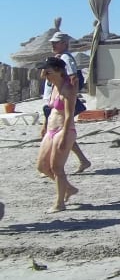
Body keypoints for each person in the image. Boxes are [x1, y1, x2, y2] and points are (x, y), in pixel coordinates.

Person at [36, 56, 81, 213]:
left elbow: (69, 115)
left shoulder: (68, 88)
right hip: (51, 129)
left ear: (58, 70)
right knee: (42, 166)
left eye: (47, 70)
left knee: (57, 168)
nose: (44, 73)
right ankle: (68, 188)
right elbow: (50, 110)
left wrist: (63, 136)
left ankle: (59, 203)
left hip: (64, 130)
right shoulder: (53, 88)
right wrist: (44, 126)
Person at [42, 32, 91, 173]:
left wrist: (70, 97)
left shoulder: (66, 58)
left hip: (61, 103)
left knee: (58, 133)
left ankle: (49, 166)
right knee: (58, 132)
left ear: (64, 43)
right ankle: (82, 160)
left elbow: (73, 78)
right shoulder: (57, 58)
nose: (53, 44)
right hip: (53, 101)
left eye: (56, 42)